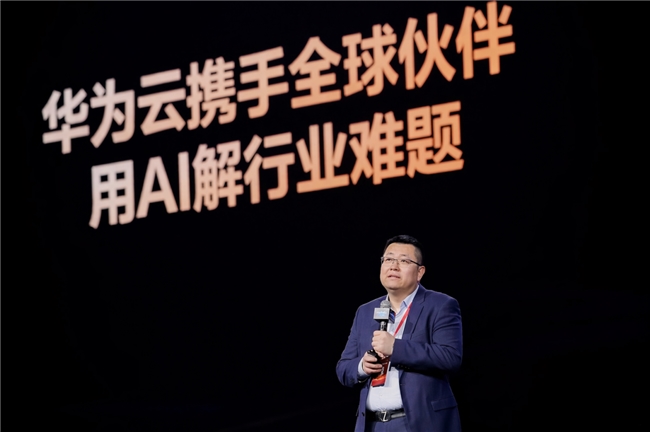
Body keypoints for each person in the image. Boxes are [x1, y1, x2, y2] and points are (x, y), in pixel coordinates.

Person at [336, 235, 463, 432]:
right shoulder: (365, 311)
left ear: (420, 272)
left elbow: (450, 357)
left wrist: (396, 348)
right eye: (388, 259)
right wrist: (362, 366)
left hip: (420, 423)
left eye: (404, 261)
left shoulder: (441, 305)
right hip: (373, 424)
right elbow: (343, 368)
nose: (393, 266)